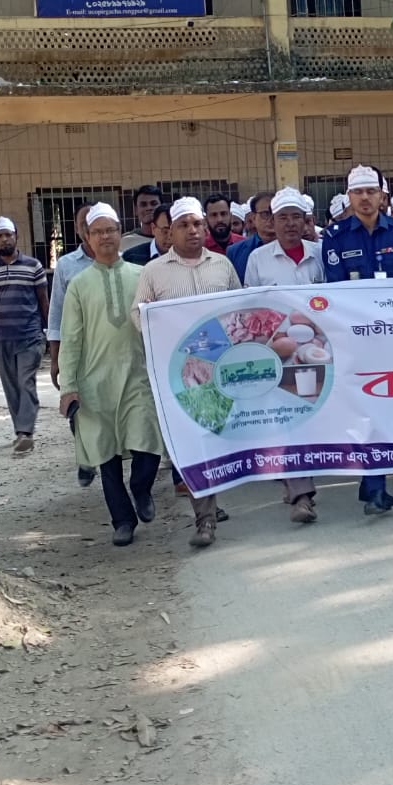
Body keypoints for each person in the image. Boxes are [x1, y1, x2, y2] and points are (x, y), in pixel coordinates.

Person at [132, 197, 243, 547]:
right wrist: (160, 324)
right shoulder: (154, 272)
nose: (192, 230)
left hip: (222, 369)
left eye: (197, 224)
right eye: (183, 225)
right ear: (171, 232)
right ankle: (204, 519)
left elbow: (240, 308)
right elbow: (137, 316)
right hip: (181, 372)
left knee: (223, 435)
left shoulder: (222, 265)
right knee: (194, 441)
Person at [59, 203, 165, 547]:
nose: (105, 237)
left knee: (147, 440)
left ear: (121, 233)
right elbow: (71, 338)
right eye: (98, 232)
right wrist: (68, 386)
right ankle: (122, 520)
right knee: (106, 455)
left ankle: (141, 488)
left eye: (111, 230)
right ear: (87, 238)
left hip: (138, 374)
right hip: (95, 381)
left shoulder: (142, 275)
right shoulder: (78, 285)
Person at [322, 164, 393, 515]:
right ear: (349, 197)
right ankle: (375, 485)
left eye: (371, 191)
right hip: (356, 339)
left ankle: (374, 483)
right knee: (366, 411)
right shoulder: (335, 237)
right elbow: (336, 288)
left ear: (382, 196)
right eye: (358, 192)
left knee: (392, 409)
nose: (365, 198)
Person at [244, 188, 324, 523]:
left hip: (320, 353)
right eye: (283, 218)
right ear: (271, 222)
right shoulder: (258, 259)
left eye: (296, 217)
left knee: (314, 419)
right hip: (280, 353)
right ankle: (302, 496)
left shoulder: (320, 253)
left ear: (306, 221)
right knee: (289, 421)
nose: (290, 224)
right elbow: (251, 309)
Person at [0, 216, 49, 455]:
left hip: (30, 335)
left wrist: (51, 331)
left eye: (9, 234)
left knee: (26, 381)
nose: (5, 239)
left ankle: (25, 432)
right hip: (2, 337)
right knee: (11, 386)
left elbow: (43, 300)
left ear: (16, 236)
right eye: (0, 236)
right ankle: (21, 432)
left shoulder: (33, 266)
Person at [46, 203, 98, 486]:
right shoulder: (67, 265)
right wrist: (55, 360)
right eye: (84, 224)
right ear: (79, 230)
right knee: (78, 408)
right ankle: (86, 458)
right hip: (77, 350)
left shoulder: (122, 260)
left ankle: (103, 454)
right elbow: (56, 315)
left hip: (110, 348)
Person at [225, 191, 275, 282]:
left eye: (275, 213)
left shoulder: (291, 246)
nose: (271, 219)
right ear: (253, 218)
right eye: (265, 214)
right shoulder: (235, 251)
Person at [120, 185, 162, 252]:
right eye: (143, 204)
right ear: (136, 210)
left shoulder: (173, 239)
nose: (149, 208)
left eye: (154, 204)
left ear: (162, 206)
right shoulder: (125, 242)